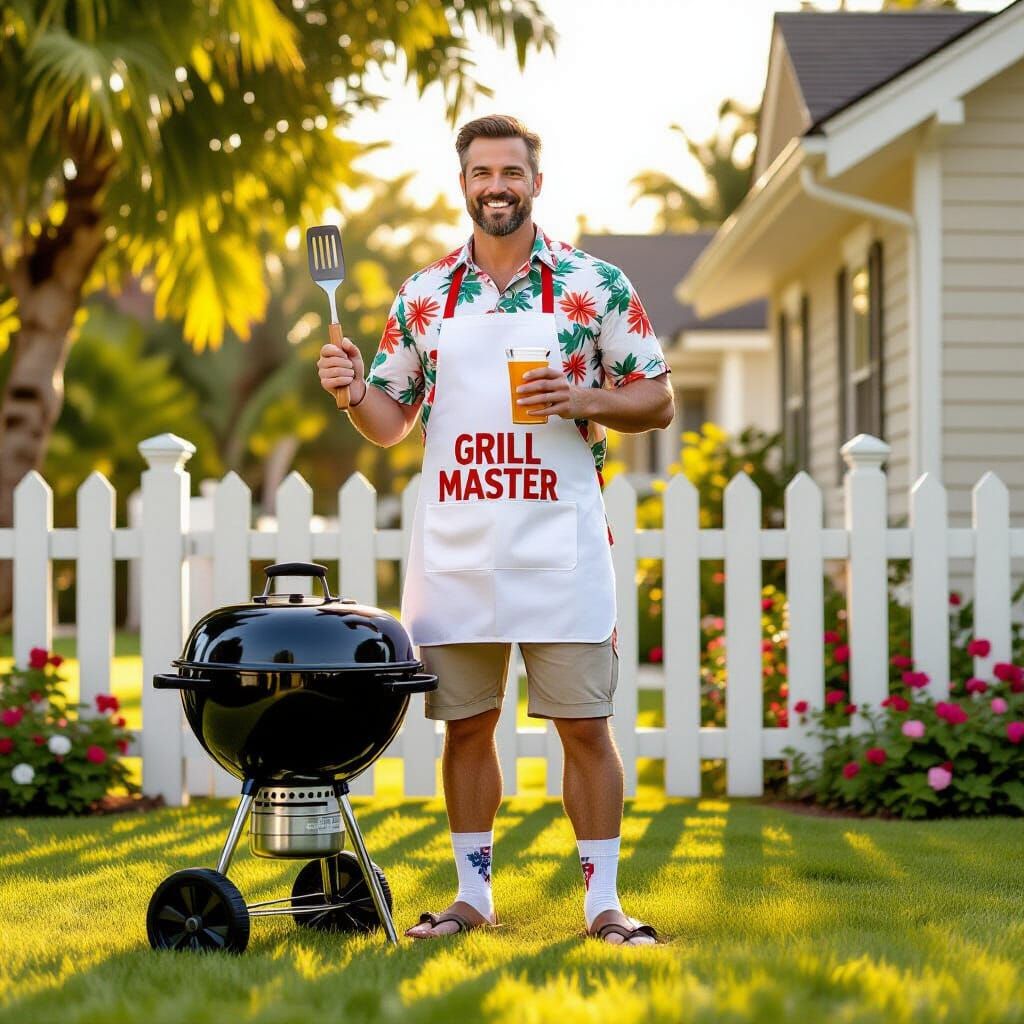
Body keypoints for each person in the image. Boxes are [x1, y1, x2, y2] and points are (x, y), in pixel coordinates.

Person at [316, 114, 673, 946]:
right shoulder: (425, 294)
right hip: (463, 548)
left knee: (586, 727)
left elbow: (655, 399)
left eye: (511, 172)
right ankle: (474, 898)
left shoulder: (596, 284)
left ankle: (603, 906)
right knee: (467, 724)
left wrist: (582, 398)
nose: (497, 187)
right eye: (482, 174)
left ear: (536, 182)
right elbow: (391, 422)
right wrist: (346, 390)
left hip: (561, 543)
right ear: (464, 183)